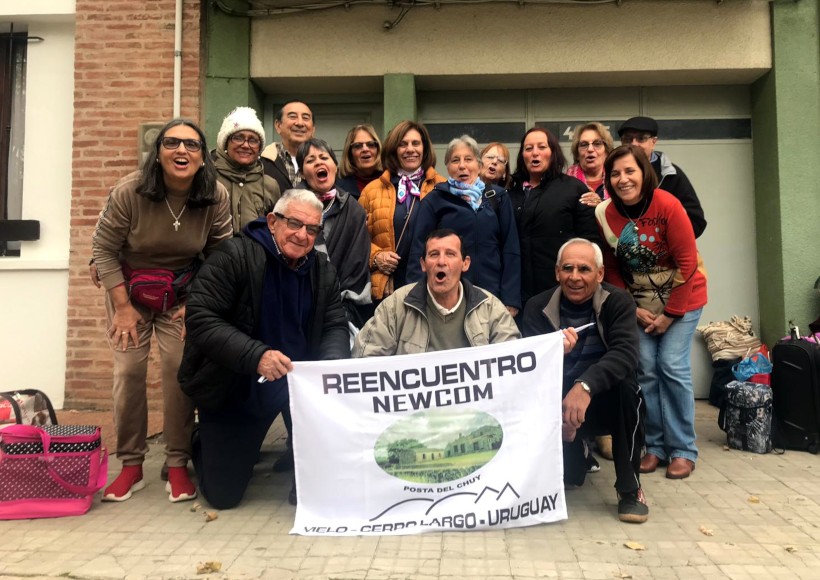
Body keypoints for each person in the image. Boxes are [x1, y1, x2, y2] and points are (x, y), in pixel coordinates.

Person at [178, 189, 350, 509]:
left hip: (297, 389)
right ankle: (204, 441)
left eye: (312, 229)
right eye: (294, 224)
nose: (302, 235)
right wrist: (256, 356)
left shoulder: (321, 267)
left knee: (317, 490)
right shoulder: (234, 255)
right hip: (238, 385)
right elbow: (201, 318)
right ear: (272, 221)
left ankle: (302, 460)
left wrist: (327, 368)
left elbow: (334, 325)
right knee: (223, 496)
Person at [91, 118, 233, 503]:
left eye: (192, 145)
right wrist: (122, 307)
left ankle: (177, 463)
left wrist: (197, 302)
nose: (181, 150)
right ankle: (131, 464)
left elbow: (220, 254)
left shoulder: (214, 195)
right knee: (128, 372)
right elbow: (103, 249)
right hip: (129, 292)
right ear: (158, 153)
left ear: (203, 158)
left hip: (182, 294)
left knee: (178, 371)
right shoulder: (130, 191)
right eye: (172, 143)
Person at [597, 145, 708, 480]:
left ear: (644, 173)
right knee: (645, 368)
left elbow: (687, 263)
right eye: (615, 173)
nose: (623, 179)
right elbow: (612, 268)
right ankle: (655, 447)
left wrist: (670, 314)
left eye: (630, 171)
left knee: (671, 365)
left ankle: (683, 449)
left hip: (684, 298)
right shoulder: (606, 213)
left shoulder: (668, 205)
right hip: (641, 305)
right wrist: (632, 308)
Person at [521, 238, 648, 523]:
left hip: (601, 400)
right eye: (567, 268)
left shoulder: (618, 301)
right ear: (557, 272)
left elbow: (626, 354)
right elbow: (530, 370)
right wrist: (555, 354)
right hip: (556, 402)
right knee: (572, 478)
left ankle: (630, 488)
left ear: (600, 274)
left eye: (584, 269)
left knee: (629, 389)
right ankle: (577, 448)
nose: (575, 277)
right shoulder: (536, 307)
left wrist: (585, 386)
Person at [354, 229, 519, 356]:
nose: (441, 261)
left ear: (465, 264)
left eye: (450, 254)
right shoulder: (396, 306)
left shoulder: (490, 307)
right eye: (434, 254)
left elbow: (512, 363)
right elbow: (365, 359)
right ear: (423, 264)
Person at [407, 135, 521, 317]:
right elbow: (419, 250)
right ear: (447, 166)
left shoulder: (497, 197)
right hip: (447, 298)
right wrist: (415, 298)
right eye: (455, 160)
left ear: (479, 165)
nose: (462, 166)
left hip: (492, 296)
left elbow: (510, 248)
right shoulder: (434, 200)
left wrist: (511, 299)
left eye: (468, 159)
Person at [508, 127, 602, 309]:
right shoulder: (510, 192)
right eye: (528, 148)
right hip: (517, 296)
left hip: (563, 292)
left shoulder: (574, 189)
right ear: (522, 155)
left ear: (553, 153)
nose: (535, 153)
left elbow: (591, 242)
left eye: (542, 147)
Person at [358, 120, 446, 302]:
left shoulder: (443, 186)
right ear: (393, 149)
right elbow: (355, 239)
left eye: (416, 143)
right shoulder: (371, 190)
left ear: (424, 148)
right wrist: (376, 257)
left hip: (431, 284)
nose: (410, 149)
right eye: (403, 144)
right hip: (387, 287)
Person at [297, 138, 371, 324]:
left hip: (340, 309)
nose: (318, 162)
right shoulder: (289, 206)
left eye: (324, 157)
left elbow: (357, 265)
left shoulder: (353, 209)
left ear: (335, 167)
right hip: (296, 303)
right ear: (302, 173)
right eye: (310, 160)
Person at [617, 116, 707, 238]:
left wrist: (661, 239)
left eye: (641, 138)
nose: (634, 144)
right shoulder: (612, 174)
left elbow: (696, 221)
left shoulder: (670, 175)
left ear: (653, 142)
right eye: (628, 139)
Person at [213, 106, 281, 232]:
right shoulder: (208, 178)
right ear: (225, 143)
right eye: (238, 138)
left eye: (253, 140)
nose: (245, 145)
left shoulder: (270, 185)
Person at [261, 100, 314, 192]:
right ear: (278, 125)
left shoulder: (324, 164)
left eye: (305, 118)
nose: (300, 123)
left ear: (313, 129)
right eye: (293, 116)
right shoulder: (261, 163)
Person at [566, 121, 615, 204]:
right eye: (584, 144)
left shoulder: (617, 180)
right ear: (577, 154)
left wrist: (601, 205)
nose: (590, 149)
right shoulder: (565, 183)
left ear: (607, 151)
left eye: (597, 144)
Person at [336, 124, 383, 199]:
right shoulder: (337, 187)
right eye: (358, 146)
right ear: (350, 153)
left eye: (371, 144)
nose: (365, 149)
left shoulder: (391, 181)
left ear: (378, 149)